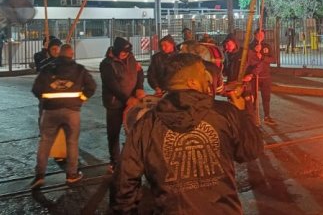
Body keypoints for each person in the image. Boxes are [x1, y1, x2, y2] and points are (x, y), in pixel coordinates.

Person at [112, 53, 263, 214]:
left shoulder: (146, 124)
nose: (209, 80)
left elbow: (124, 184)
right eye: (204, 74)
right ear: (192, 82)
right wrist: (243, 112)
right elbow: (251, 150)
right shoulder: (225, 113)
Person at [30, 44, 96, 188]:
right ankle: (72, 175)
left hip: (50, 111)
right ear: (71, 54)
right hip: (72, 111)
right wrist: (81, 100)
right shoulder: (79, 69)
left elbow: (35, 89)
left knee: (45, 142)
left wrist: (46, 100)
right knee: (72, 142)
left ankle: (39, 175)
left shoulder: (48, 69)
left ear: (59, 54)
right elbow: (92, 87)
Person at [100, 37, 146, 172]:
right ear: (116, 50)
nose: (125, 55)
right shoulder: (107, 64)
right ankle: (115, 161)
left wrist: (139, 87)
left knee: (133, 131)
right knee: (113, 133)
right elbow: (112, 85)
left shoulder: (131, 58)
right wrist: (126, 99)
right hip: (115, 103)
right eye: (123, 53)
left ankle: (133, 158)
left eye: (127, 53)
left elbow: (140, 72)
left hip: (132, 103)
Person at [247, 29, 276, 126]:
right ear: (254, 35)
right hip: (255, 76)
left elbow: (272, 59)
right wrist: (254, 52)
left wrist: (262, 57)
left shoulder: (267, 46)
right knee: (254, 97)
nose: (260, 36)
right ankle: (254, 117)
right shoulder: (250, 46)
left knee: (266, 97)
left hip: (266, 76)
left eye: (262, 34)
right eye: (258, 34)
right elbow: (248, 60)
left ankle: (267, 116)